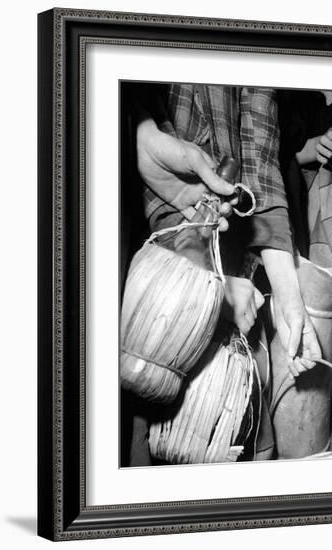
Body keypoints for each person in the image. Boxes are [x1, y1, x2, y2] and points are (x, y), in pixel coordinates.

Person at [123, 83, 322, 465]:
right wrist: (208, 290)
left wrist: (288, 295)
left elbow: (260, 151)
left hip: (218, 250)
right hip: (154, 262)